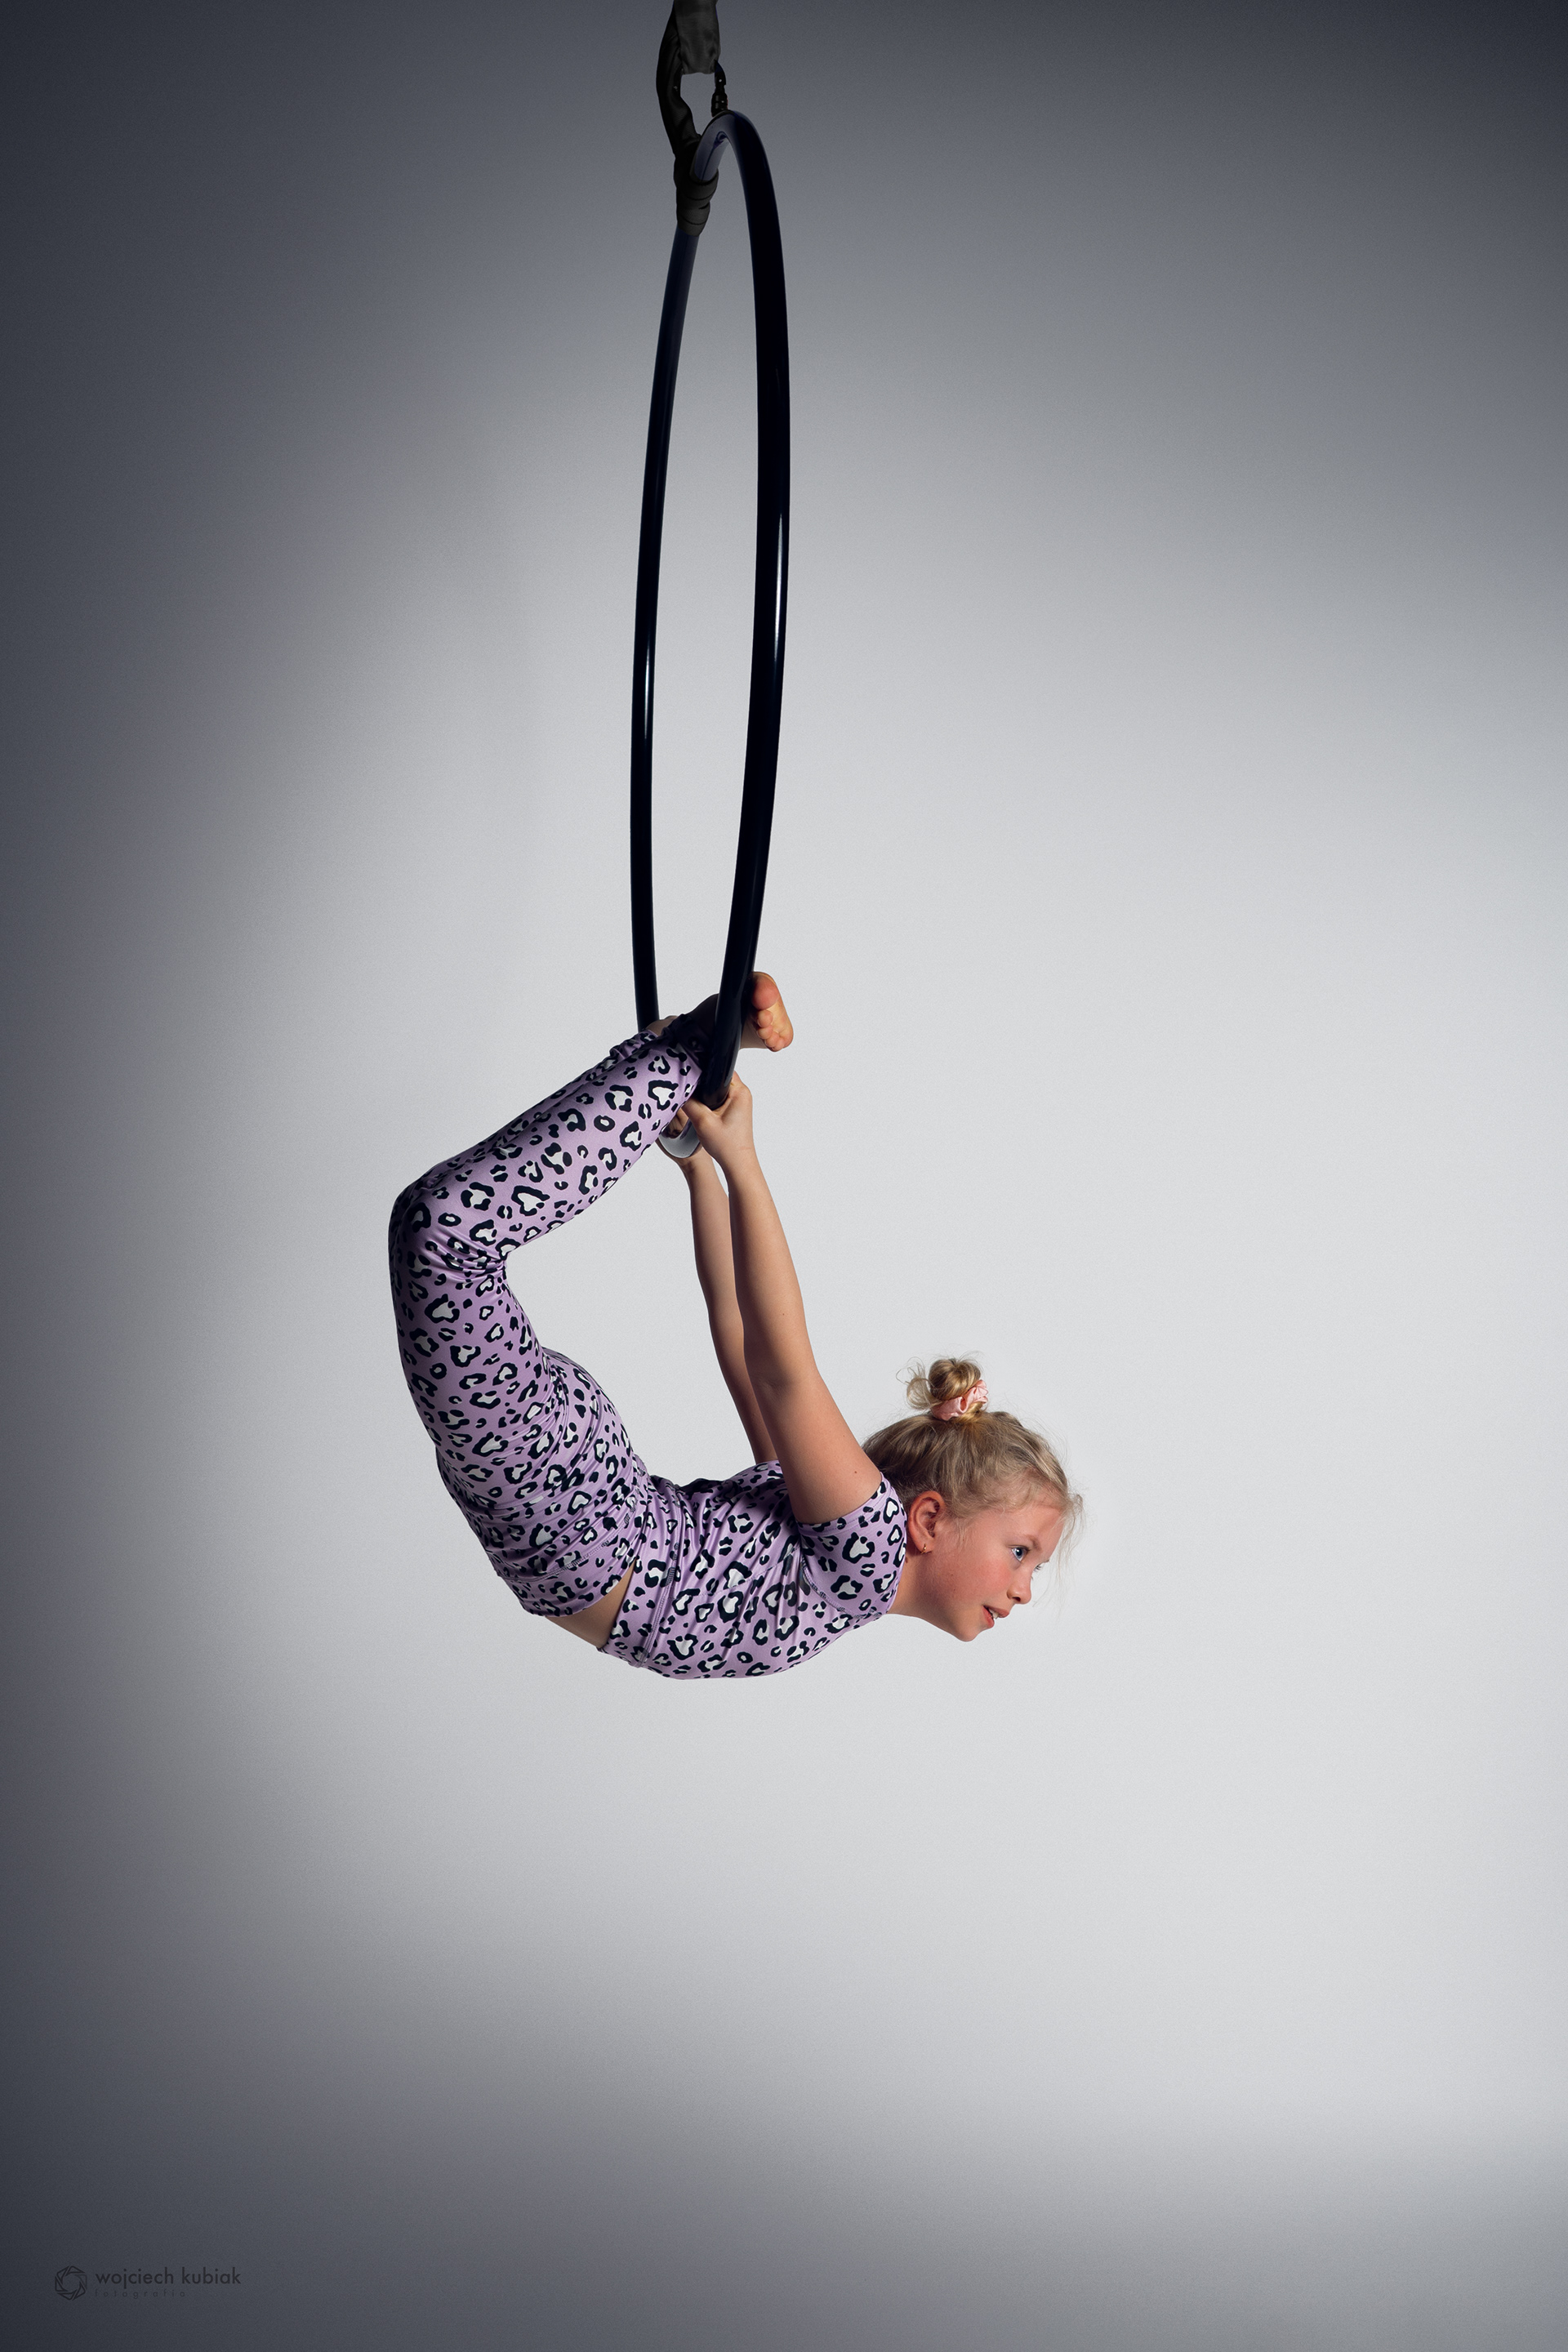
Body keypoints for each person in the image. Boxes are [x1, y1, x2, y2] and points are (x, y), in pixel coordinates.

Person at [388, 977, 1080, 1679]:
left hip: (563, 1525)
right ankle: (687, 1046)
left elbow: (735, 1330)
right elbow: (781, 1370)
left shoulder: (827, 1538)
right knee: (441, 1235)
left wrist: (699, 1172)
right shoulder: (870, 1549)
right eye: (1020, 1551)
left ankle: (676, 1055)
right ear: (928, 1521)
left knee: (442, 1238)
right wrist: (739, 1165)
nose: (1026, 1590)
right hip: (577, 1519)